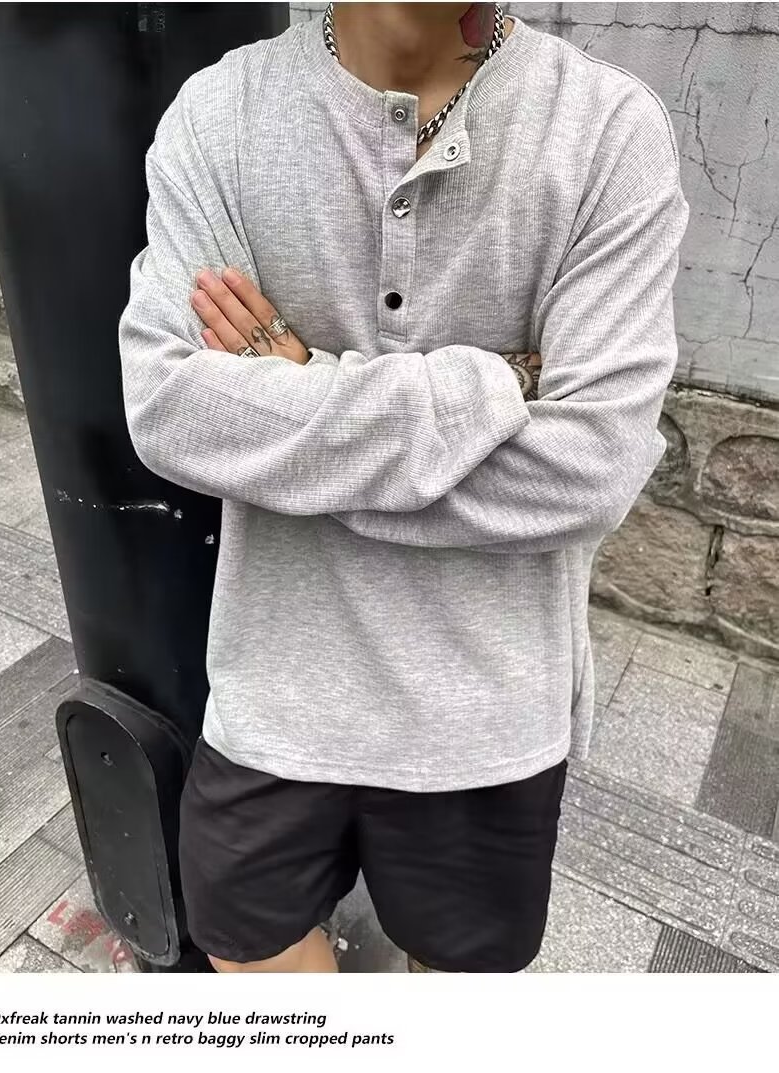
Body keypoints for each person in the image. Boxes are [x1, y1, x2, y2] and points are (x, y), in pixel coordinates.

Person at [118, 3, 689, 973]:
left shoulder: (603, 128)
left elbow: (589, 469)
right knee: (245, 948)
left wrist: (296, 385)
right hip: (276, 688)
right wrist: (490, 386)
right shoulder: (220, 115)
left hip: (487, 712)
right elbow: (170, 407)